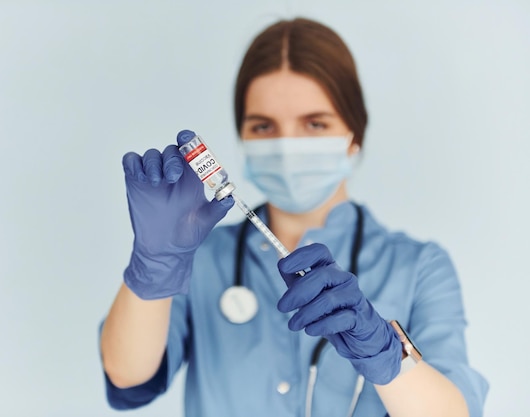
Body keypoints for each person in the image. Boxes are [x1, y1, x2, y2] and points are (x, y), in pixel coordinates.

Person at [99, 17, 488, 417]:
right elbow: (127, 377)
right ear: (243, 138)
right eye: (263, 126)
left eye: (315, 123)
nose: (287, 146)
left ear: (354, 133)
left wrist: (386, 356)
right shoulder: (198, 256)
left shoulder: (418, 266)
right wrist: (154, 264)